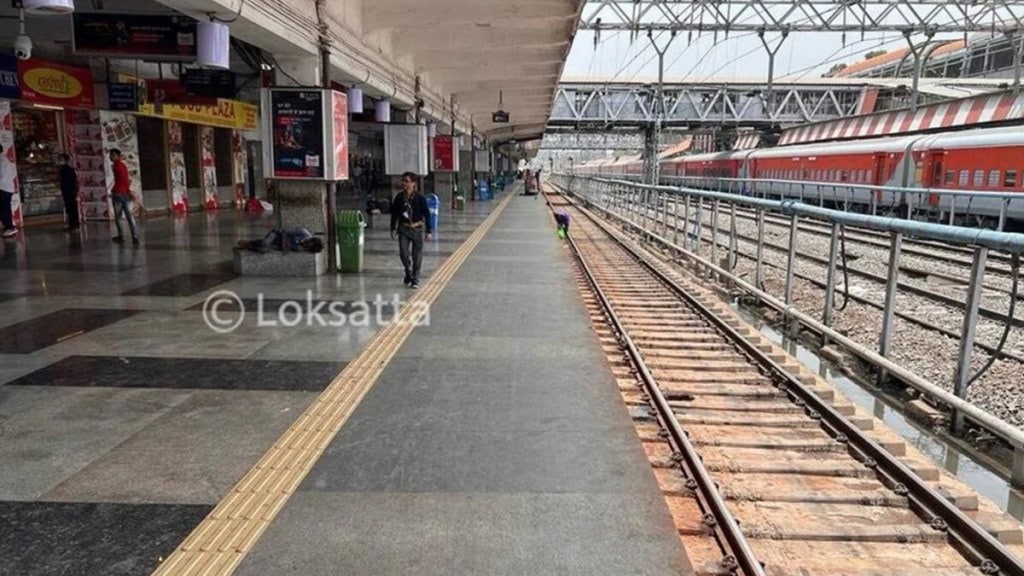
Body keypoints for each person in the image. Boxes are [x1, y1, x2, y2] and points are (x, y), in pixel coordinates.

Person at [390, 171, 432, 289]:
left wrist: (428, 231)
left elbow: (427, 214)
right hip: (403, 229)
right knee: (403, 253)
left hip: (417, 229)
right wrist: (393, 228)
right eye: (403, 181)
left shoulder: (420, 197)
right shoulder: (399, 198)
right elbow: (394, 214)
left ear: (414, 183)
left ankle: (416, 278)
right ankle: (408, 272)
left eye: (407, 181)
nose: (404, 184)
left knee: (416, 255)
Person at [109, 148, 139, 245]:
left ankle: (121, 236)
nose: (111, 157)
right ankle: (134, 236)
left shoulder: (116, 166)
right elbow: (126, 180)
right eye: (110, 155)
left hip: (118, 193)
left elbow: (122, 180)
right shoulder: (123, 165)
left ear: (118, 156)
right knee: (129, 216)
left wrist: (127, 191)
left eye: (113, 155)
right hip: (125, 193)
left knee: (118, 217)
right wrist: (128, 191)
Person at [59, 154, 80, 232]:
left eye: (61, 159)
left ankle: (74, 226)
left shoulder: (65, 170)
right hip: (70, 192)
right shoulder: (67, 170)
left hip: (69, 192)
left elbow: (70, 182)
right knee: (71, 209)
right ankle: (73, 225)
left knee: (71, 209)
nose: (59, 161)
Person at [0, 144, 17, 238]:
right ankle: (8, 225)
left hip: (3, 188)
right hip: (6, 188)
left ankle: (9, 227)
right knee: (5, 208)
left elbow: (2, 176)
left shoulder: (2, 161)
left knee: (4, 208)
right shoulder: (4, 160)